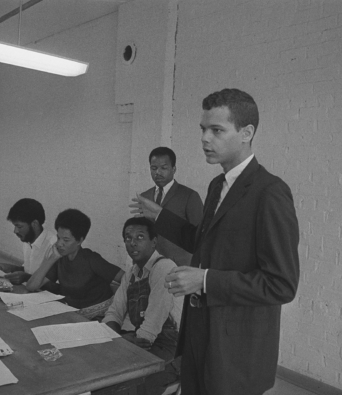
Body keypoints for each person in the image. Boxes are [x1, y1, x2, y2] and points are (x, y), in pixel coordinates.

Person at [130, 88, 300, 394]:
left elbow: (281, 284)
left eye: (217, 130)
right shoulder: (218, 184)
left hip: (236, 347)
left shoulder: (270, 193)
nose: (205, 139)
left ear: (247, 133)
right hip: (200, 334)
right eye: (203, 130)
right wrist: (161, 216)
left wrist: (205, 280)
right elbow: (206, 242)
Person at [103, 217, 183, 395]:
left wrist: (123, 342)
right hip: (144, 345)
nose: (132, 243)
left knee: (124, 387)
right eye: (128, 238)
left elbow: (149, 330)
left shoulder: (164, 268)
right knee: (100, 375)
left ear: (154, 242)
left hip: (173, 350)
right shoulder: (131, 274)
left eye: (140, 237)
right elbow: (114, 312)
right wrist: (116, 338)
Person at [41, 209, 124, 318]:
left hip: (100, 314)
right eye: (58, 238)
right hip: (74, 312)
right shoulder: (60, 258)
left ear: (80, 241)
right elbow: (32, 285)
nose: (59, 243)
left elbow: (126, 278)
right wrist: (50, 260)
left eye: (66, 240)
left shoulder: (91, 259)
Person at [141, 147, 203, 267]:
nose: (157, 172)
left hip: (180, 266)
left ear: (174, 169)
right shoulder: (145, 197)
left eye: (163, 168)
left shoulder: (189, 196)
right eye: (153, 168)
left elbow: (200, 236)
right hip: (150, 265)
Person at [0, 198, 59, 286]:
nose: (15, 231)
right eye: (15, 226)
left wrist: (26, 278)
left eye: (19, 227)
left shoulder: (54, 246)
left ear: (34, 224)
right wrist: (12, 268)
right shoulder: (28, 240)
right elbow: (29, 270)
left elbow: (57, 285)